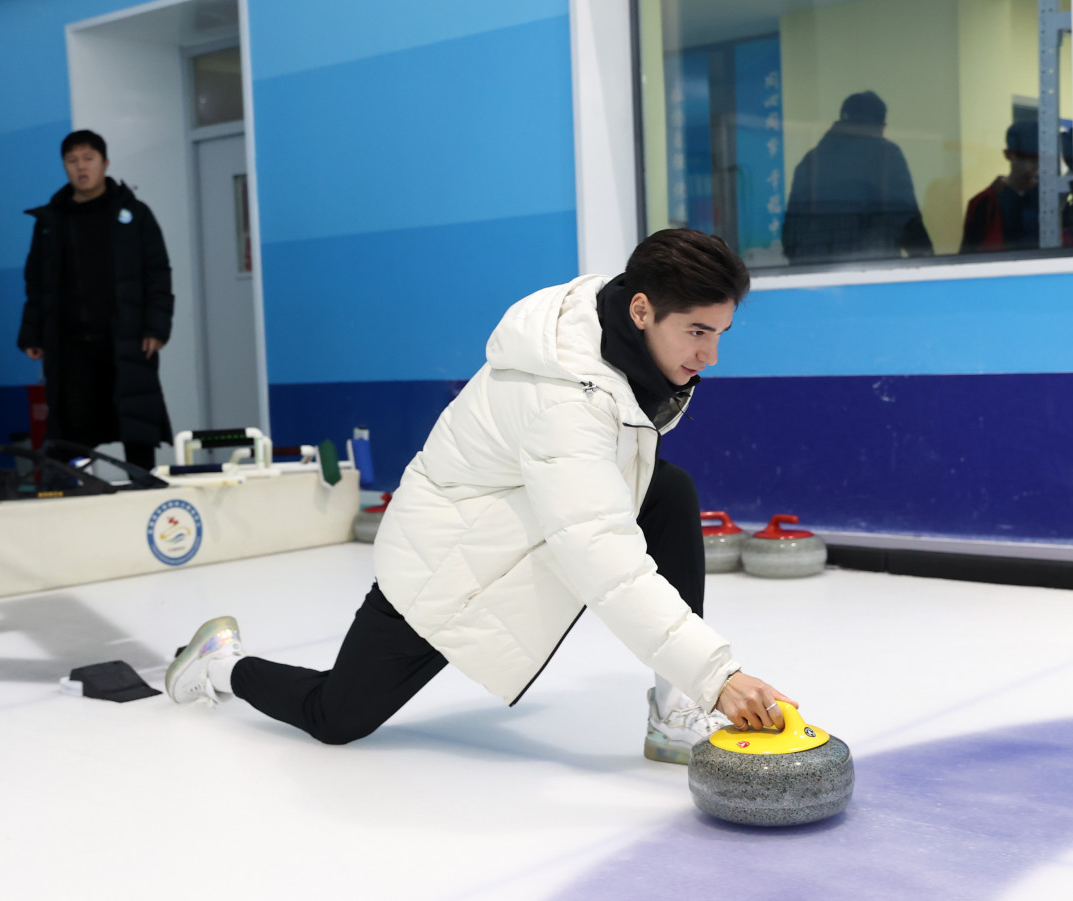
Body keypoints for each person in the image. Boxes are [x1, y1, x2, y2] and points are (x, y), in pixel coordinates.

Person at [165, 228, 797, 762]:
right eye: (697, 332)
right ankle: (220, 662)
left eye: (719, 333)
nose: (710, 355)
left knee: (668, 490)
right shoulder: (565, 402)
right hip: (447, 559)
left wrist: (694, 682)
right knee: (338, 717)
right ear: (641, 311)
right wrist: (717, 675)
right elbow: (604, 558)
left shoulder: (617, 332)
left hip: (518, 517)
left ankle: (673, 712)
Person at [17, 129, 173, 472]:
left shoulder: (134, 215)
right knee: (72, 435)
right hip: (72, 347)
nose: (80, 167)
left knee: (137, 427)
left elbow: (158, 273)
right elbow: (36, 282)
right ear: (64, 167)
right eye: (72, 161)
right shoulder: (51, 220)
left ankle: (142, 491)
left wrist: (156, 327)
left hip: (127, 340)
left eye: (88, 159)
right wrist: (32, 333)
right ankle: (75, 498)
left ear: (105, 163)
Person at [782, 90, 933, 266]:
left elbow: (790, 237)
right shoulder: (886, 156)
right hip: (871, 270)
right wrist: (924, 254)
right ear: (881, 125)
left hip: (814, 273)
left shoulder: (810, 161)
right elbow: (905, 217)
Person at [959, 120, 1043, 254]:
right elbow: (968, 256)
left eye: (1042, 158)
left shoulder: (1049, 199)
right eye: (1030, 158)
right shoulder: (984, 203)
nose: (1037, 165)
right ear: (1008, 155)